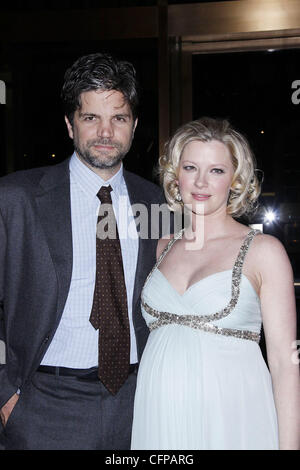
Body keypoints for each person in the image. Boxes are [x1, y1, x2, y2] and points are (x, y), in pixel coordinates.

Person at [0, 52, 166, 450]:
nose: (106, 132)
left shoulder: (157, 203)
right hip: (42, 405)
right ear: (69, 124)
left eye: (119, 118)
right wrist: (4, 391)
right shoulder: (17, 197)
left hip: (136, 402)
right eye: (91, 118)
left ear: (134, 125)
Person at [131, 117, 300, 450]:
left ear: (235, 180)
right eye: (191, 167)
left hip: (233, 418)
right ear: (174, 175)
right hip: (159, 417)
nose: (201, 182)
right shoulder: (161, 247)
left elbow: (284, 362)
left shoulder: (264, 251)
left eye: (217, 171)